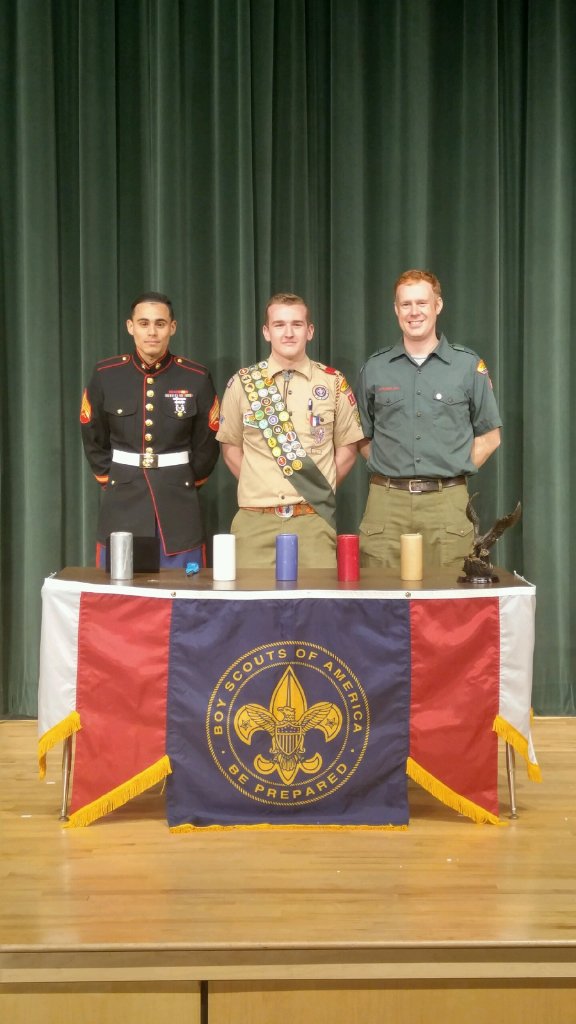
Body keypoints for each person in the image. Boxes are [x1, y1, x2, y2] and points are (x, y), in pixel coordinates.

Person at [355, 269, 502, 571]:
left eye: (422, 303)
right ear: (396, 310)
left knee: (449, 603)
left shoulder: (467, 365)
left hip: (447, 505)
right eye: (405, 304)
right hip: (387, 505)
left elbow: (490, 437)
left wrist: (451, 467)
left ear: (438, 305)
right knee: (380, 602)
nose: (414, 312)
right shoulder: (375, 368)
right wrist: (389, 468)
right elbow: (361, 435)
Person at [216, 292, 364, 567]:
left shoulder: (333, 383)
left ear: (309, 331)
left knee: (316, 608)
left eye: (296, 325)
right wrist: (260, 485)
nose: (288, 333)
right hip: (254, 522)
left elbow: (347, 449)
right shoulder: (243, 383)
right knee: (251, 608)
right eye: (279, 325)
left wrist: (317, 489)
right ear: (266, 332)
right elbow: (230, 450)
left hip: (312, 520)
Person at [80, 291, 220, 568]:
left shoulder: (196, 376)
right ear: (130, 327)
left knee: (182, 594)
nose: (152, 332)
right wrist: (110, 477)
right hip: (122, 499)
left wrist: (188, 479)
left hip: (178, 501)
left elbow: (209, 438)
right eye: (144, 323)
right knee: (121, 595)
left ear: (172, 327)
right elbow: (91, 431)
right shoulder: (107, 374)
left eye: (160, 323)